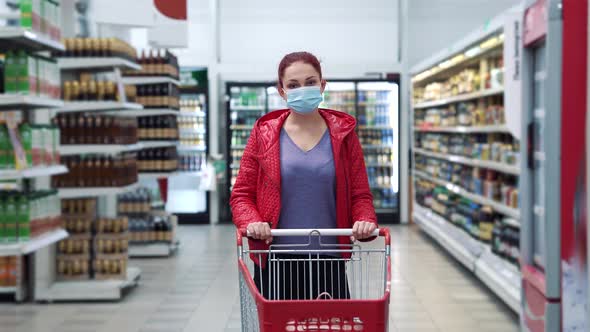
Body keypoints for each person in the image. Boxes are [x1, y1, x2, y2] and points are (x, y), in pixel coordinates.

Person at [230, 51, 377, 300]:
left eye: (310, 82)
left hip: (329, 259)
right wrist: (252, 222)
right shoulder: (264, 135)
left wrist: (364, 220)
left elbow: (359, 194)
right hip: (273, 258)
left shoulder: (343, 135)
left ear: (322, 85)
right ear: (281, 91)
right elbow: (241, 195)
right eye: (293, 85)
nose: (303, 90)